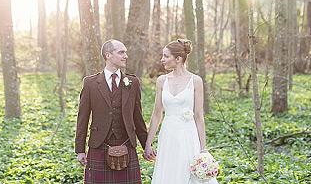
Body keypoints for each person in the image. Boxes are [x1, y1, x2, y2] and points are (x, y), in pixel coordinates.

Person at [75, 39, 151, 184]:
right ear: (108, 55)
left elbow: (138, 117)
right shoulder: (90, 83)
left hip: (127, 143)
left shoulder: (132, 82)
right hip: (99, 144)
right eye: (121, 52)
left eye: (126, 52)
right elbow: (82, 118)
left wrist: (146, 145)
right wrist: (80, 150)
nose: (125, 56)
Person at [144, 39, 218, 183]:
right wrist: (148, 143)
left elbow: (198, 116)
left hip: (188, 135)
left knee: (186, 171)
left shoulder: (195, 81)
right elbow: (156, 114)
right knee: (169, 172)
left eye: (166, 56)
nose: (162, 60)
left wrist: (203, 148)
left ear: (178, 59)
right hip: (168, 135)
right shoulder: (161, 80)